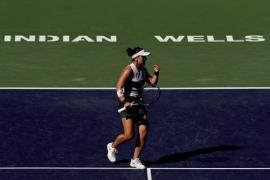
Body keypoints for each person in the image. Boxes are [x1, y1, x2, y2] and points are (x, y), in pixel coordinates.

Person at [107, 47, 160, 169]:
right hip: (126, 103)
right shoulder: (129, 70)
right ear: (136, 58)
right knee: (129, 135)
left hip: (138, 103)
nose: (145, 58)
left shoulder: (143, 69)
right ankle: (112, 147)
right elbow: (118, 86)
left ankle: (135, 159)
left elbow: (152, 82)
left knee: (144, 131)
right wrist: (124, 101)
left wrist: (156, 73)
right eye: (143, 56)